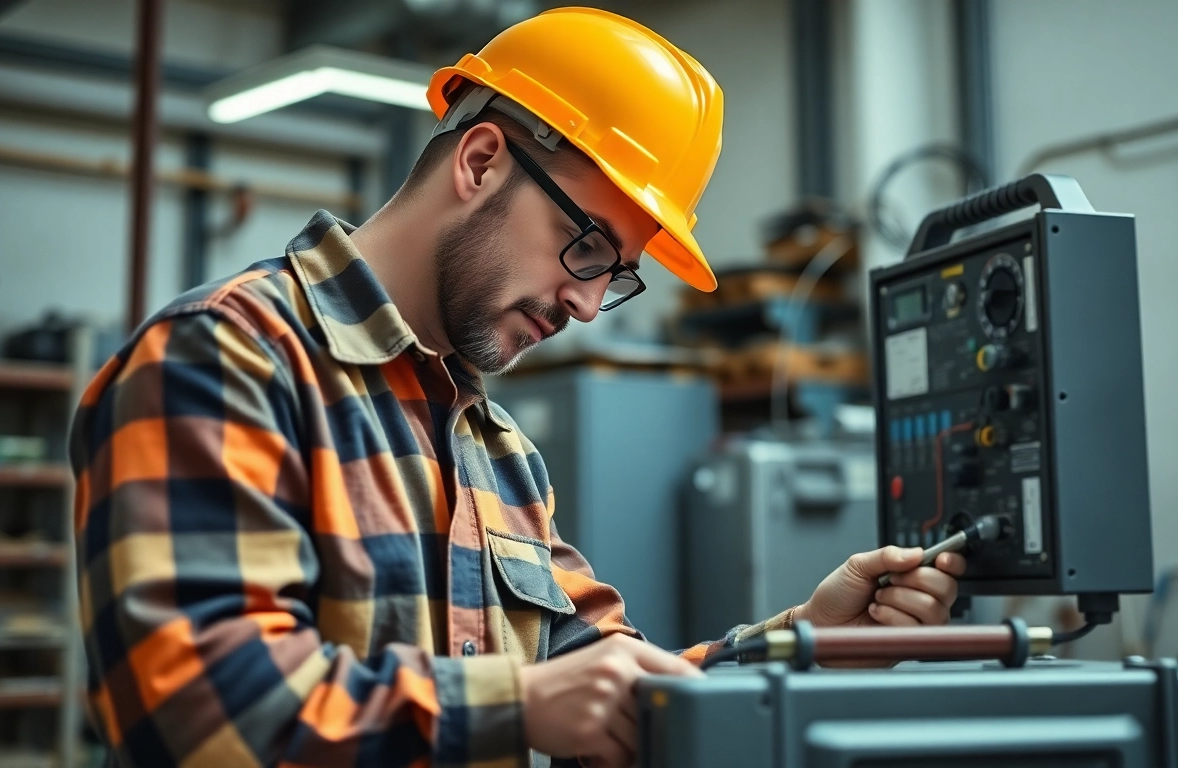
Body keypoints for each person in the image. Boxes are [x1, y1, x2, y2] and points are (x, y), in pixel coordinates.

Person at [70, 8, 964, 768]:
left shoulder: (496, 451)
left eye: (615, 274)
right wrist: (512, 703)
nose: (585, 303)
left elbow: (612, 694)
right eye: (585, 246)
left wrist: (816, 644)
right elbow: (188, 704)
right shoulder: (227, 358)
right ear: (482, 161)